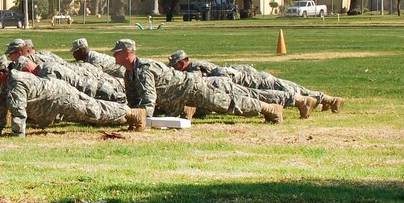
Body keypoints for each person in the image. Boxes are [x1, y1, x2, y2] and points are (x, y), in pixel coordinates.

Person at [111, 39, 287, 123]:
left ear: (128, 53)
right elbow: (134, 101)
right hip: (175, 98)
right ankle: (187, 109)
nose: (114, 56)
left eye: (117, 53)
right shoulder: (129, 73)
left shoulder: (144, 69)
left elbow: (148, 100)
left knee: (227, 104)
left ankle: (270, 108)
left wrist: (142, 119)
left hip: (191, 88)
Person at [0, 56, 146, 136]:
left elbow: (18, 111)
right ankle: (128, 113)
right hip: (51, 103)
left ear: (0, 73)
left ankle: (131, 113)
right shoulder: (5, 84)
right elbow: (1, 107)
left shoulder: (16, 82)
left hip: (60, 96)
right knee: (91, 111)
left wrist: (18, 135)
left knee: (93, 111)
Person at [167, 50, 343, 114]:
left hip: (253, 80)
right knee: (290, 88)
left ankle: (326, 99)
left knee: (288, 89)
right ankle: (325, 100)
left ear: (182, 63)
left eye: (175, 66)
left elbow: (198, 84)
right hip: (250, 77)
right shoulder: (196, 66)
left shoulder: (195, 68)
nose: (175, 69)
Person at [11, 55, 127, 104]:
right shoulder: (46, 66)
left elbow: (57, 95)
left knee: (121, 102)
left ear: (27, 70)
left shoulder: (47, 73)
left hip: (92, 90)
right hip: (92, 86)